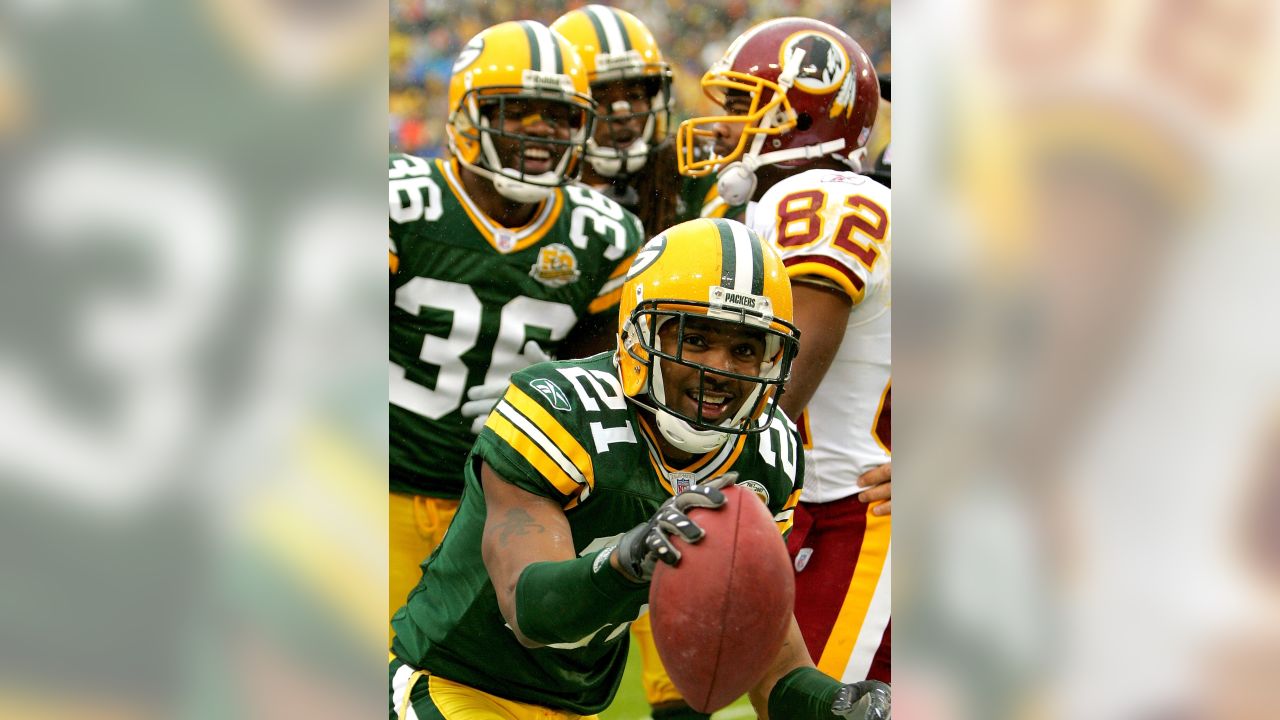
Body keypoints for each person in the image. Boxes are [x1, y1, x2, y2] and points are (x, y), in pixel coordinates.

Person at [389, 217, 890, 720]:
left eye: (745, 348)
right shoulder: (559, 407)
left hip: (575, 708)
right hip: (453, 685)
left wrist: (837, 703)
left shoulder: (769, 448)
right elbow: (531, 611)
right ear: (638, 334)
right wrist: (628, 560)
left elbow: (772, 661)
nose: (720, 369)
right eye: (695, 340)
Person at [389, 19, 646, 641]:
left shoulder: (603, 236)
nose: (540, 131)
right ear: (466, 115)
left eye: (559, 116)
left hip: (498, 500)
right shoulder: (402, 201)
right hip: (381, 487)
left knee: (460, 684)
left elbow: (589, 382)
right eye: (519, 110)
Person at [677, 18, 893, 684]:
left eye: (745, 107)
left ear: (804, 114)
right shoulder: (776, 204)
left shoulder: (822, 200)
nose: (726, 126)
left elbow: (792, 358)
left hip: (862, 514)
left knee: (821, 701)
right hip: (816, 506)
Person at [551, 4, 744, 239]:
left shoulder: (691, 171)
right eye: (599, 98)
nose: (622, 114)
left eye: (634, 96)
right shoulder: (539, 186)